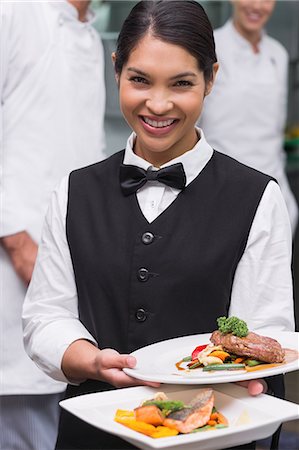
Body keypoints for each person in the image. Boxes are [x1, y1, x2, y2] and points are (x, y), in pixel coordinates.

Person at [22, 1, 295, 449]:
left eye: (182, 83)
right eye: (140, 80)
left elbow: (264, 335)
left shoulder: (257, 197)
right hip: (92, 434)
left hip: (217, 433)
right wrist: (89, 360)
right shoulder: (74, 191)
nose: (159, 104)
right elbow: (46, 317)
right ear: (116, 70)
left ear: (211, 78)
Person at [0, 1, 106, 449]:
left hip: (69, 255)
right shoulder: (13, 12)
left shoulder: (90, 35)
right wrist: (16, 238)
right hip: (14, 255)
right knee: (20, 409)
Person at [199, 0, 298, 236]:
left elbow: (274, 129)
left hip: (273, 187)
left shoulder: (278, 54)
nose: (257, 6)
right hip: (220, 189)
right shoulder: (210, 47)